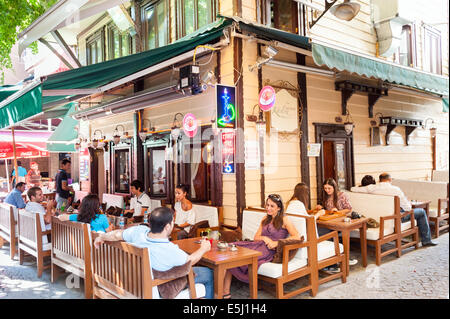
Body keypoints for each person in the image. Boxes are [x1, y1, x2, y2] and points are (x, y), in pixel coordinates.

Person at [93, 206, 214, 299]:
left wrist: (102, 237)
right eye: (172, 222)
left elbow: (116, 234)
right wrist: (203, 248)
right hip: (153, 286)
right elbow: (189, 261)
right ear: (167, 227)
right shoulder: (169, 249)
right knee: (208, 273)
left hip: (129, 284)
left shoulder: (139, 231)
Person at [222, 194, 300, 299]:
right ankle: (224, 292)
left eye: (272, 206)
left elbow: (297, 237)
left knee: (236, 255)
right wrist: (265, 238)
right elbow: (256, 237)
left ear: (279, 208)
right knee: (230, 248)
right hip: (258, 244)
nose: (268, 208)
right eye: (267, 205)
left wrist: (276, 243)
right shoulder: (265, 218)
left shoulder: (284, 220)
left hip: (269, 250)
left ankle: (223, 292)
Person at [351, 173, 437, 247]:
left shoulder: (371, 188)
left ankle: (424, 239)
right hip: (395, 218)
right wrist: (406, 203)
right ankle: (426, 240)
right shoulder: (396, 189)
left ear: (379, 180)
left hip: (380, 218)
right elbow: (408, 208)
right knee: (421, 212)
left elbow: (352, 189)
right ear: (390, 179)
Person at [315, 178, 357, 270]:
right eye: (325, 188)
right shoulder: (326, 196)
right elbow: (326, 209)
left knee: (325, 234)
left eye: (329, 188)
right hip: (329, 221)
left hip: (340, 222)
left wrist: (338, 211)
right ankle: (329, 260)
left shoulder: (342, 195)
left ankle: (336, 260)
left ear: (334, 187)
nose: (327, 190)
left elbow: (349, 209)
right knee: (319, 232)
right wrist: (320, 206)